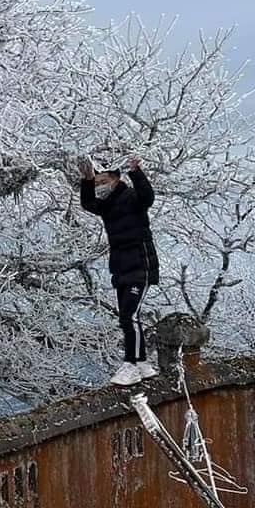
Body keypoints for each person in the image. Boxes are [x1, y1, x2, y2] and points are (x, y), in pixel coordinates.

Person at [80, 155, 160, 387]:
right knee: (126, 317)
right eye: (97, 183)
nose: (99, 186)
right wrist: (86, 181)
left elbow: (148, 197)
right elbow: (88, 204)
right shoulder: (107, 205)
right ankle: (143, 363)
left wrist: (136, 171)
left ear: (115, 178)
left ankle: (131, 364)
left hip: (141, 266)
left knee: (129, 315)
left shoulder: (131, 197)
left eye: (101, 181)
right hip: (121, 268)